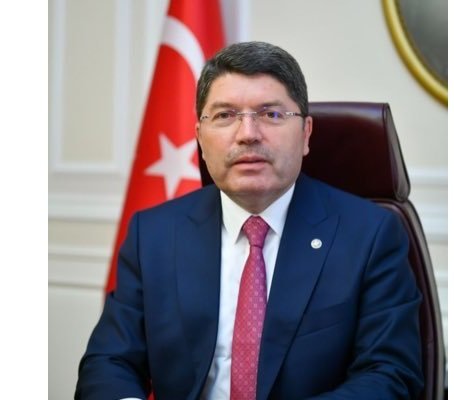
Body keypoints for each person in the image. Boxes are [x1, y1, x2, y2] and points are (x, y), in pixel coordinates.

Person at [75, 41, 423, 400]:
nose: (247, 134)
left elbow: (390, 375)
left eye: (271, 114)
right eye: (225, 115)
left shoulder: (370, 235)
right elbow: (109, 362)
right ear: (199, 138)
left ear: (306, 134)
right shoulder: (154, 235)